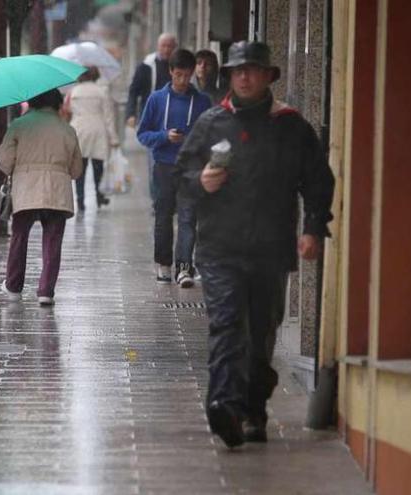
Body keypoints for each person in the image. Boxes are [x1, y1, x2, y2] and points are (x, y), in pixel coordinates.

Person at [176, 41, 335, 447]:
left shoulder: (291, 126)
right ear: (229, 77)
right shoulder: (212, 122)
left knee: (262, 333)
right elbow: (182, 176)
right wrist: (201, 182)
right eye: (237, 71)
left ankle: (252, 409)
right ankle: (223, 406)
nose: (244, 77)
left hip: (271, 248)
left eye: (252, 69)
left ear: (268, 76)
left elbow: (317, 181)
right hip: (219, 249)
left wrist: (313, 228)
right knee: (227, 325)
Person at [0, 89, 84, 306]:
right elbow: (76, 170)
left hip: (26, 189)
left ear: (33, 102)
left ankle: (14, 286)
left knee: (19, 238)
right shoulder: (67, 130)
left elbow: (5, 161)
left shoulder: (19, 125)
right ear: (57, 104)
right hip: (58, 191)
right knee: (53, 241)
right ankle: (46, 291)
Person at [137, 49, 212, 287]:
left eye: (187, 76)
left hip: (191, 168)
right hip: (164, 166)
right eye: (178, 75)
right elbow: (143, 134)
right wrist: (164, 136)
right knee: (163, 218)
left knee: (189, 218)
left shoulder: (202, 102)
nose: (182, 81)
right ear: (170, 72)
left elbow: (210, 134)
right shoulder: (157, 99)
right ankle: (164, 264)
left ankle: (184, 267)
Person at [126, 33, 177, 206]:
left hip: (174, 121)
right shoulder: (146, 67)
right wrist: (131, 113)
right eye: (164, 45)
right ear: (158, 46)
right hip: (153, 121)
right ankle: (157, 200)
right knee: (154, 162)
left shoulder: (178, 67)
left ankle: (170, 198)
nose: (167, 49)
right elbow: (134, 91)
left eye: (170, 46)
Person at [64, 67, 119, 211]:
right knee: (98, 165)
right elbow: (108, 117)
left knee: (79, 167)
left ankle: (80, 200)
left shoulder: (74, 92)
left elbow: (68, 109)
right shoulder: (102, 91)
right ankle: (99, 197)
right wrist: (113, 138)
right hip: (98, 129)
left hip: (79, 129)